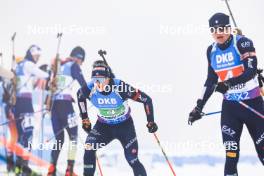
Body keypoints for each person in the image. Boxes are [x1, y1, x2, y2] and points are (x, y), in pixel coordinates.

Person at [188, 13, 264, 176]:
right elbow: (210, 81)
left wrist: (229, 83)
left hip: (253, 105)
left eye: (222, 28)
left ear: (229, 28)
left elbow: (251, 71)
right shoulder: (211, 50)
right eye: (214, 30)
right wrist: (198, 107)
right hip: (230, 109)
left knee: (263, 153)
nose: (218, 32)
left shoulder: (242, 42)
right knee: (231, 155)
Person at [77, 60, 158, 176]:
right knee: (89, 147)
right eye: (95, 80)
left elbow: (146, 100)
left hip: (125, 127)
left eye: (101, 80)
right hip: (103, 127)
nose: (98, 83)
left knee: (132, 159)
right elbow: (79, 96)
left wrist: (151, 121)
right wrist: (85, 119)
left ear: (108, 78)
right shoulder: (89, 88)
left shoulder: (120, 87)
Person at [47, 46, 87, 176]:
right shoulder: (73, 65)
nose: (81, 64)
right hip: (66, 107)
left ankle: (51, 169)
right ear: (79, 58)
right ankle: (69, 170)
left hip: (54, 107)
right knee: (73, 138)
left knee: (59, 140)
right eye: (82, 60)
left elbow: (50, 84)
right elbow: (84, 85)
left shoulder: (58, 66)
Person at [14, 45, 49, 175]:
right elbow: (43, 75)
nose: (37, 59)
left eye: (38, 57)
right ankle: (25, 167)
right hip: (25, 103)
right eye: (36, 56)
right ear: (31, 54)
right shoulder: (28, 64)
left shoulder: (19, 65)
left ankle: (18, 167)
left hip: (18, 104)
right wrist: (50, 72)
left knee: (21, 136)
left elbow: (30, 84)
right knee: (28, 133)